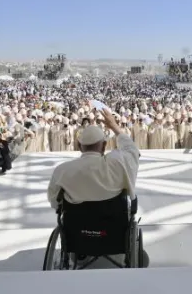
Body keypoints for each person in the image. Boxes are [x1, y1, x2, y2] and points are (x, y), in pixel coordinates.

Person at [47, 107, 148, 267]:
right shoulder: (118, 163)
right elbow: (132, 150)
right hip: (114, 233)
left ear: (80, 147)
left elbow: (55, 201)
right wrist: (114, 126)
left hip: (77, 234)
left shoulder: (63, 170)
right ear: (104, 146)